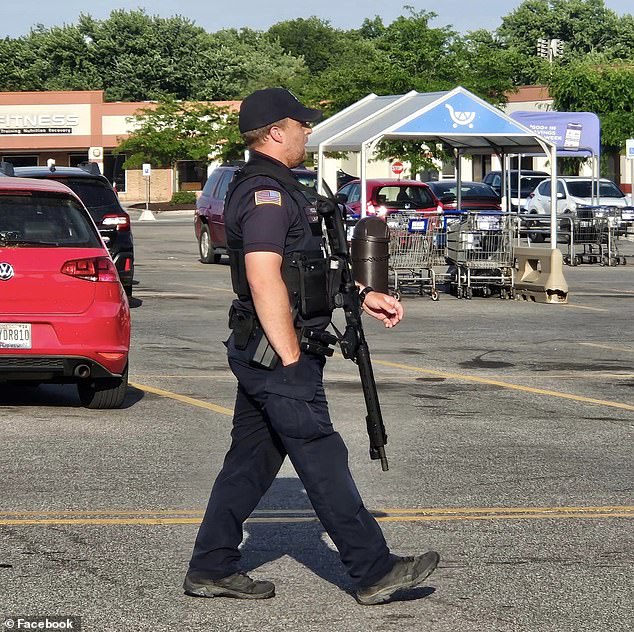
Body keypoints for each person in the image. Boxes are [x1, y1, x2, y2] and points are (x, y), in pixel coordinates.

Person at [184, 88, 439, 606]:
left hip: (267, 349)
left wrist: (364, 295)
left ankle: (210, 567)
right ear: (275, 132)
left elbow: (307, 271)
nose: (307, 131)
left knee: (250, 463)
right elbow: (263, 276)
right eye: (300, 124)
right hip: (277, 353)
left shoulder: (278, 187)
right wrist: (292, 359)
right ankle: (373, 570)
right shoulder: (265, 193)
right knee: (323, 456)